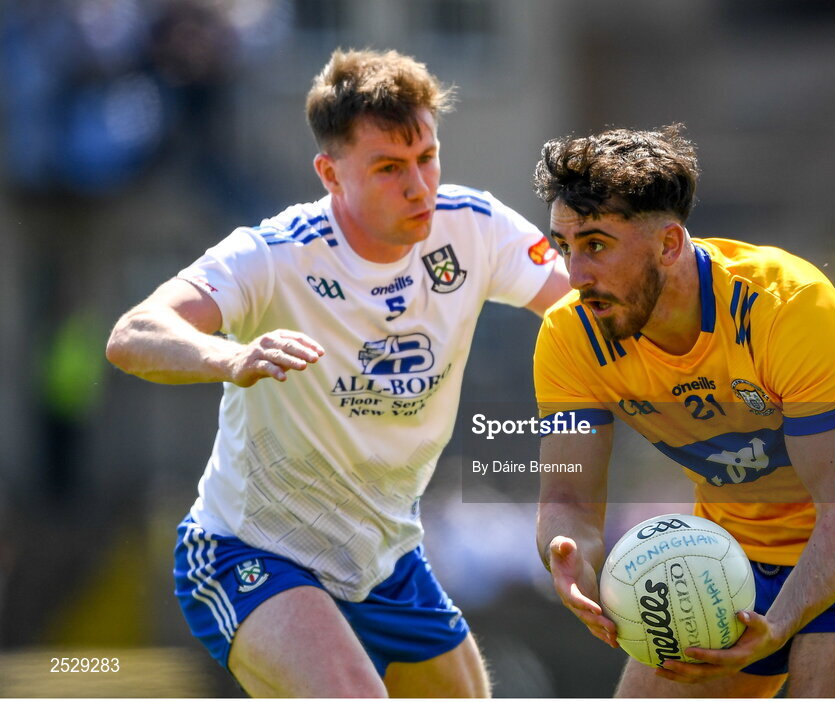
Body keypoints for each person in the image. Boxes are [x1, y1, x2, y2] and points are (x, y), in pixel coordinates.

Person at [106, 47, 568, 697]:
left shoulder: (475, 229)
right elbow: (133, 335)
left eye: (426, 158)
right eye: (387, 168)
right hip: (251, 551)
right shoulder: (274, 254)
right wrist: (231, 358)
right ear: (330, 173)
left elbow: (581, 310)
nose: (418, 186)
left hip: (384, 559)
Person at [531, 124, 835, 698]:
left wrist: (776, 626)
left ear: (670, 246)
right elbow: (567, 502)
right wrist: (567, 555)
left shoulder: (786, 306)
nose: (575, 276)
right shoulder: (571, 335)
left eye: (596, 245)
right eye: (564, 247)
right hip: (729, 559)